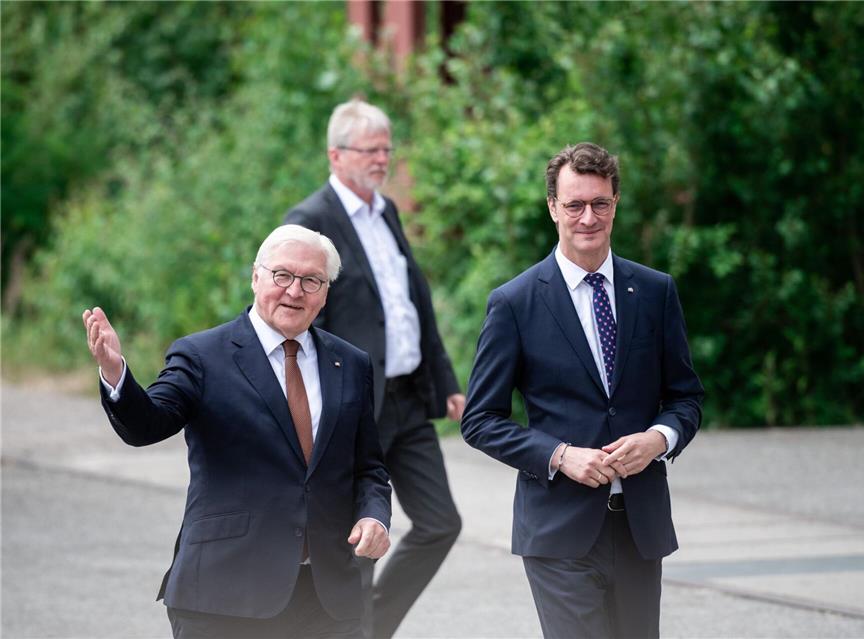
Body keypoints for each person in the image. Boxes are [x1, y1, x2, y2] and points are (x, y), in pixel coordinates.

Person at [82, 224, 392, 639]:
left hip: (327, 599)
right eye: (282, 275)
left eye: (311, 280)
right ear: (256, 276)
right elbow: (147, 425)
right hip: (225, 596)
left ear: (326, 291)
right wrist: (115, 372)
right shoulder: (202, 355)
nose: (294, 291)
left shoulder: (350, 363)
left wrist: (375, 515)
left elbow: (368, 467)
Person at [461, 142, 704, 639]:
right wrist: (559, 455)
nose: (587, 217)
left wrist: (658, 439)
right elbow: (480, 420)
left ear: (616, 203)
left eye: (600, 203)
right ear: (553, 207)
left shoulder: (655, 292)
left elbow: (686, 398)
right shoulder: (515, 303)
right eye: (574, 205)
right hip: (558, 532)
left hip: (640, 528)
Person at [284, 99, 462, 639]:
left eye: (387, 148)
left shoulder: (386, 211)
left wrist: (446, 381)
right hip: (355, 405)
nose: (383, 159)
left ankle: (371, 629)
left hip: (408, 399)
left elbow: (413, 304)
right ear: (336, 155)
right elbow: (300, 318)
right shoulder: (310, 222)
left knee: (441, 523)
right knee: (361, 536)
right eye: (370, 149)